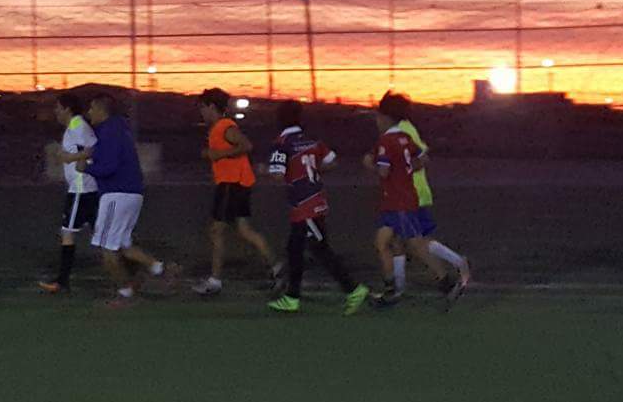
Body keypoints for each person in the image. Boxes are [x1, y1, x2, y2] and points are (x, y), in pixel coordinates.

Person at [362, 93, 467, 308]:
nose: (376, 121)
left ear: (385, 117)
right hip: (400, 199)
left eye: (378, 117)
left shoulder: (386, 141)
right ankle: (392, 290)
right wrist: (406, 169)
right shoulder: (405, 137)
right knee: (383, 242)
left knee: (416, 244)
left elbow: (383, 171)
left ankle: (447, 282)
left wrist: (370, 165)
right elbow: (420, 159)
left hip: (398, 202)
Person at [266, 101, 369, 315]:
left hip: (304, 205)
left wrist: (262, 170)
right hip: (315, 200)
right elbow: (332, 162)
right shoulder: (312, 141)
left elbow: (277, 174)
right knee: (295, 249)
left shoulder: (282, 143)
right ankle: (292, 297)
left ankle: (353, 289)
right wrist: (312, 170)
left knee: (319, 250)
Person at [77, 93, 166, 306]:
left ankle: (125, 293)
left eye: (92, 109)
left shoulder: (108, 132)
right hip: (131, 193)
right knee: (123, 244)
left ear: (102, 110)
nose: (89, 113)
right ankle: (160, 269)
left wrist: (86, 168)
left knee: (107, 249)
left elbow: (108, 167)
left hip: (116, 195)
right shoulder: (119, 130)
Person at [191, 88, 281, 296]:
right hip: (237, 184)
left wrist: (218, 154)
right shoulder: (220, 127)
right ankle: (277, 268)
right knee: (244, 231)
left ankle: (214, 281)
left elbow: (246, 145)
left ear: (212, 107)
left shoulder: (225, 126)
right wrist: (214, 155)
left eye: (203, 108)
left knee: (217, 230)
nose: (201, 112)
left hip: (231, 184)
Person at [39, 94, 99, 294]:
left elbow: (90, 150)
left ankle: (62, 282)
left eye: (58, 107)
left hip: (81, 190)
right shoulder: (75, 126)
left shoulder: (76, 125)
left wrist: (69, 158)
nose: (55, 111)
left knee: (68, 233)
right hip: (85, 189)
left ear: (67, 109)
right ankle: (145, 268)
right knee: (105, 237)